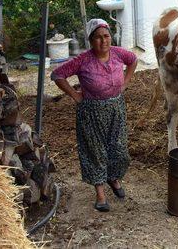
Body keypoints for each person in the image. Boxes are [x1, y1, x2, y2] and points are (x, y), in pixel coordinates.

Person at [51, 18, 137, 212]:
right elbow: (57, 75)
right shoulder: (83, 60)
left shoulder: (117, 53)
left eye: (106, 36)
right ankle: (100, 193)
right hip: (91, 112)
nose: (103, 41)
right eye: (97, 37)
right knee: (95, 151)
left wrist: (125, 83)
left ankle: (113, 178)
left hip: (116, 108)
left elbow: (133, 60)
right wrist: (74, 95)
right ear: (90, 40)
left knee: (119, 148)